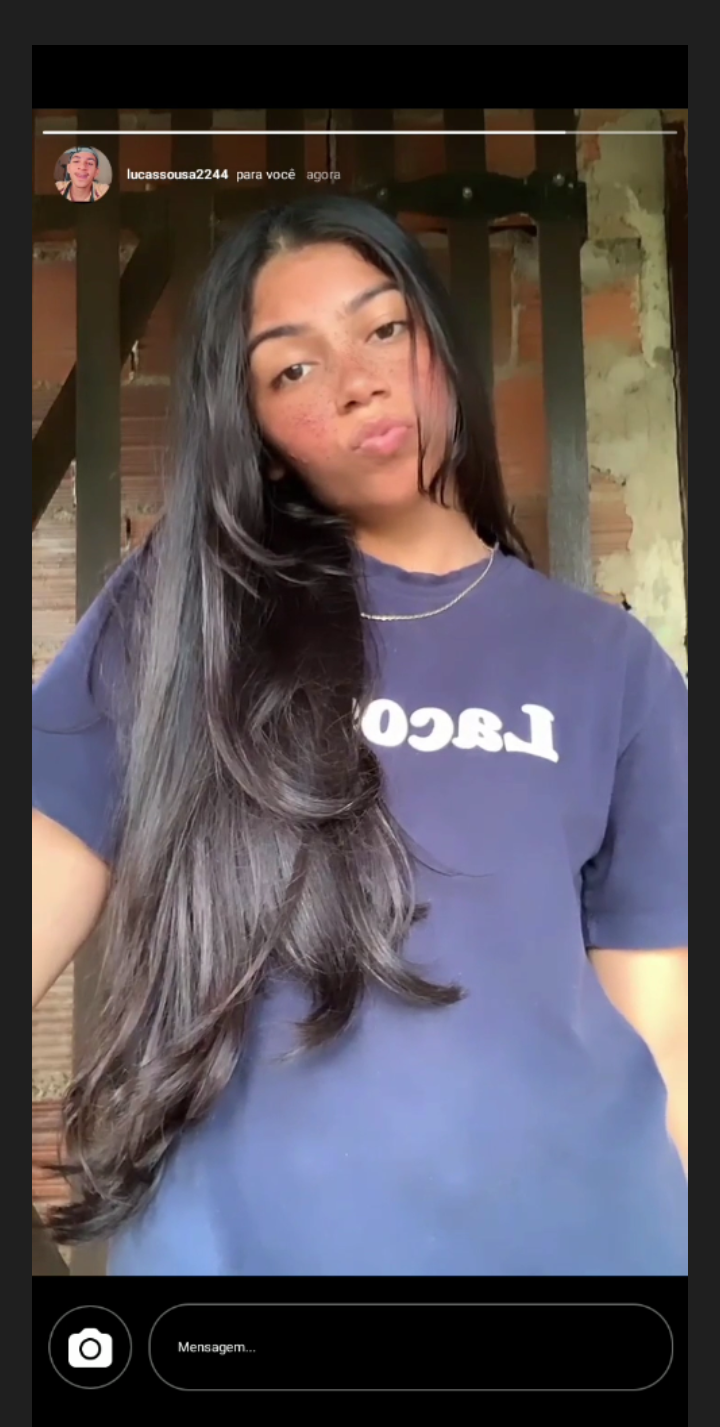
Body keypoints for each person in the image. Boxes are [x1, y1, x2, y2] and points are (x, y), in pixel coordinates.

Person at [32, 196, 688, 1277]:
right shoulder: (184, 617)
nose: (356, 382)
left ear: (441, 347)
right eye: (293, 369)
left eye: (384, 328)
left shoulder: (614, 663)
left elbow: (663, 1040)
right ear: (261, 441)